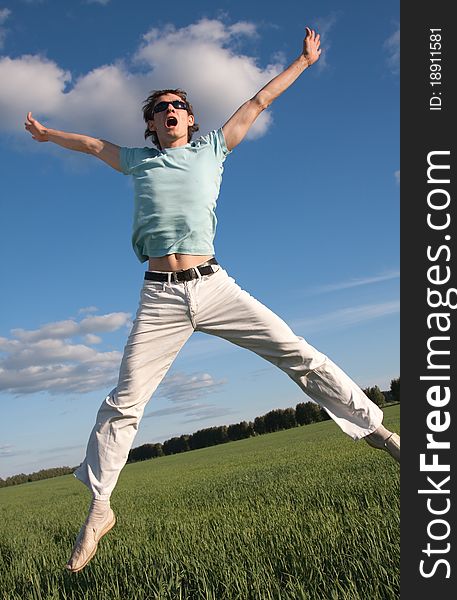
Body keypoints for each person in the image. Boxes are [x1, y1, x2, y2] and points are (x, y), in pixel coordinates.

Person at [25, 26, 400, 574]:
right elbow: (89, 144)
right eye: (161, 108)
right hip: (160, 298)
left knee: (297, 353)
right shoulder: (137, 160)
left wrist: (303, 61)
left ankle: (378, 431)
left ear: (190, 119)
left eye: (179, 105)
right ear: (152, 125)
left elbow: (258, 101)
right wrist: (46, 132)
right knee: (124, 400)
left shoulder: (213, 148)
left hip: (214, 285)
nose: (171, 110)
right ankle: (100, 506)